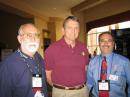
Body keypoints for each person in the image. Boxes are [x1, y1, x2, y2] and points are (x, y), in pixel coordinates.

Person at [45, 16, 89, 97]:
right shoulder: (52, 49)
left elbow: (85, 68)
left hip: (83, 91)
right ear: (63, 30)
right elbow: (48, 76)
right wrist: (60, 89)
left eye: (76, 28)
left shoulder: (83, 47)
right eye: (69, 28)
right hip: (62, 93)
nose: (73, 31)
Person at [0, 23, 48, 97]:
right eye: (29, 35)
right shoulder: (7, 66)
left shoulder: (39, 57)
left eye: (36, 35)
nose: (33, 39)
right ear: (20, 39)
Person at [87, 32, 130, 97]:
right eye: (102, 41)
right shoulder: (92, 62)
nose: (105, 43)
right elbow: (89, 83)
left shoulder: (124, 62)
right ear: (99, 44)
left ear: (113, 44)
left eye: (109, 40)